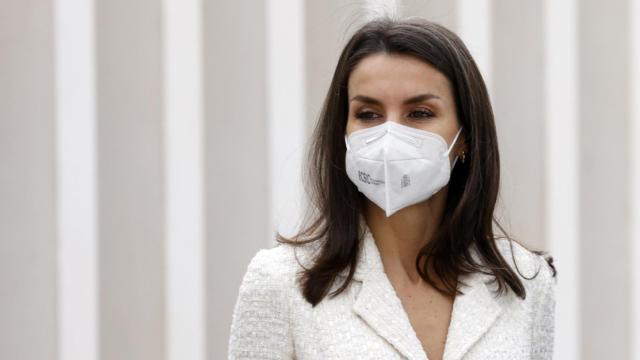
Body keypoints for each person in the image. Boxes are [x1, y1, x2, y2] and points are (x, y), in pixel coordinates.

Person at [228, 16, 557, 360]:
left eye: (419, 112)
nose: (389, 137)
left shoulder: (526, 281)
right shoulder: (282, 282)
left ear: (465, 138)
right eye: (368, 114)